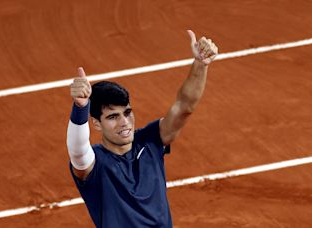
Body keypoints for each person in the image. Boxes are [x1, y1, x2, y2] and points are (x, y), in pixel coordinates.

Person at [66, 30, 218, 228]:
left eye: (127, 113)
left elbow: (184, 107)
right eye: (113, 117)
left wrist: (200, 64)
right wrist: (80, 107)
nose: (124, 122)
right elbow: (77, 148)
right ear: (96, 123)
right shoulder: (95, 164)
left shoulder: (150, 141)